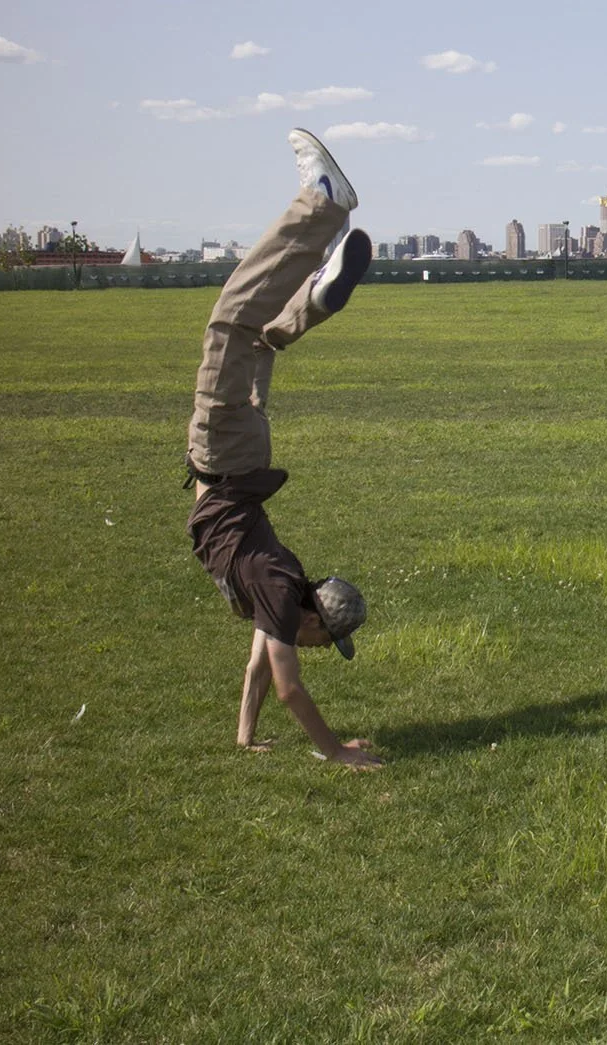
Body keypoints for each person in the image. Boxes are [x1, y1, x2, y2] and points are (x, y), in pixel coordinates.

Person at [186, 129, 382, 769]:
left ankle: (315, 300)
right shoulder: (276, 587)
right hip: (226, 463)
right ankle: (322, 205)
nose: (320, 648)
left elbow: (259, 672)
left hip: (241, 463)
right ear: (314, 619)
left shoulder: (277, 596)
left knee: (259, 340)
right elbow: (289, 686)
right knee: (230, 323)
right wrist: (335, 752)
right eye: (328, 639)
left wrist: (244, 736)